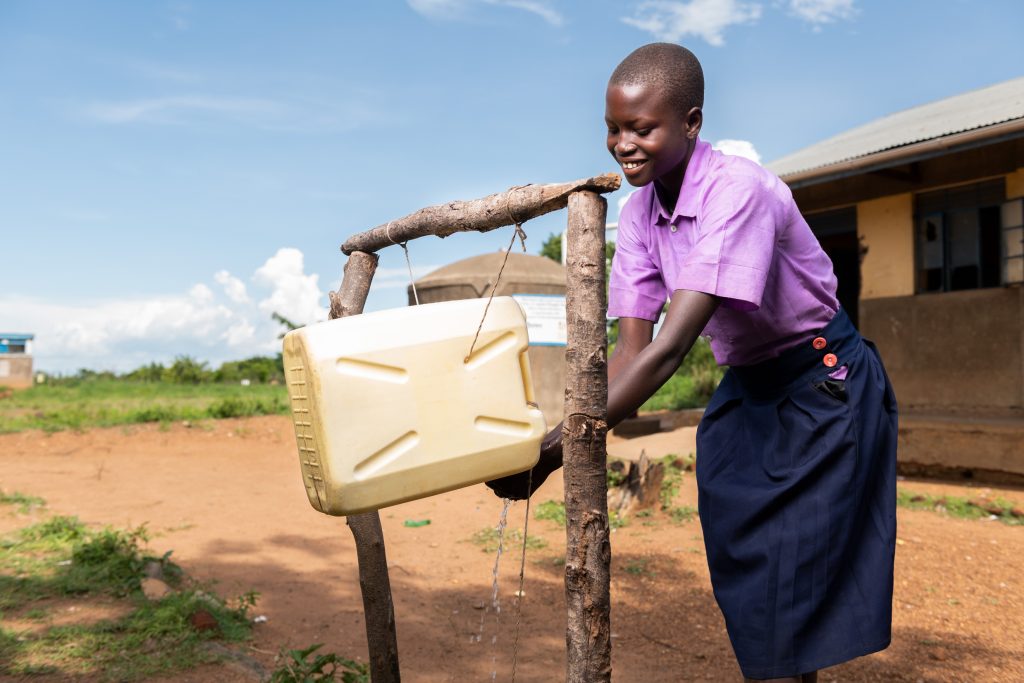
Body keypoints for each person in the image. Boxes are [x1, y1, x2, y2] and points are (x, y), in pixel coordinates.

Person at [487, 43, 897, 682]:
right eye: (613, 128)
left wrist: (557, 448)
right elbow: (630, 350)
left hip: (822, 385)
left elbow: (671, 350)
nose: (624, 144)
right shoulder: (641, 211)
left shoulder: (740, 191)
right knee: (748, 561)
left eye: (642, 128)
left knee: (791, 577)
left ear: (692, 122)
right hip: (749, 390)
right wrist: (553, 439)